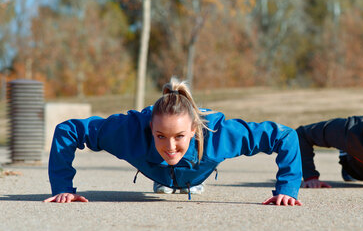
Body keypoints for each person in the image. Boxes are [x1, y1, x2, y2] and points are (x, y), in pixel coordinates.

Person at [44, 78, 302, 205]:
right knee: (162, 156)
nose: (170, 147)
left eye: (179, 137)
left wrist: (287, 190)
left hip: (197, 168)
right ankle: (164, 176)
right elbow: (68, 130)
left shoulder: (218, 136)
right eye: (160, 136)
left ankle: (187, 178)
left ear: (193, 130)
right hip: (153, 165)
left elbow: (285, 136)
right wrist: (62, 187)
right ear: (149, 128)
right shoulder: (128, 132)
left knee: (179, 159)